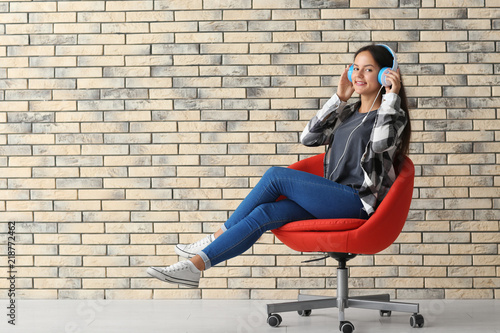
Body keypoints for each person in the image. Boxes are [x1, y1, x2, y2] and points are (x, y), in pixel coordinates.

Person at [147, 44, 411, 288]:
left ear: (385, 75)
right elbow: (308, 137)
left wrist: (390, 98)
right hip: (330, 198)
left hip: (358, 203)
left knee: (275, 176)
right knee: (265, 212)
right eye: (355, 67)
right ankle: (195, 267)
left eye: (368, 69)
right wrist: (339, 98)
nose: (358, 74)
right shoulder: (348, 113)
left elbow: (380, 144)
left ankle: (215, 237)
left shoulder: (392, 115)